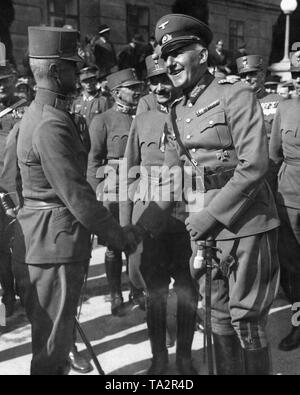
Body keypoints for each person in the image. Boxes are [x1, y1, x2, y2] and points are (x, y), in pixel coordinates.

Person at [133, 13, 280, 375]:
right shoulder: (177, 111)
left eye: (178, 51)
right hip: (205, 231)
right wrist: (137, 227)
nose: (169, 62)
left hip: (246, 225)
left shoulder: (236, 94)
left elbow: (255, 166)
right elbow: (172, 174)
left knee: (246, 321)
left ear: (201, 52)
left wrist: (208, 217)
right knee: (215, 318)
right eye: (165, 55)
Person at [12, 26, 139, 376]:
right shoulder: (50, 124)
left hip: (47, 241)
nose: (78, 72)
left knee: (57, 339)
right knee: (52, 354)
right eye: (71, 66)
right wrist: (120, 236)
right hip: (55, 245)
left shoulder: (40, 114)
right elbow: (77, 195)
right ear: (56, 71)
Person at [120, 54, 198, 375]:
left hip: (184, 217)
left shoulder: (194, 117)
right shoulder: (143, 120)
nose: (160, 86)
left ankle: (183, 357)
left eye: (165, 79)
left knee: (186, 291)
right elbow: (126, 172)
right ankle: (159, 359)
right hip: (150, 217)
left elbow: (202, 170)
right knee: (154, 292)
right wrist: (126, 223)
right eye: (154, 81)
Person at [87, 68, 144, 317]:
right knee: (113, 244)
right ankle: (114, 293)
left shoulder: (143, 116)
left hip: (139, 185)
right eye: (130, 87)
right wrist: (96, 194)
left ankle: (136, 290)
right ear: (116, 93)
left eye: (137, 86)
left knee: (136, 240)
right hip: (112, 186)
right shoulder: (103, 120)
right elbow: (92, 161)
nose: (136, 91)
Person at [269, 51, 300, 352]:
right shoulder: (285, 107)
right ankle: (298, 324)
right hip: (288, 196)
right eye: (297, 76)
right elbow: (273, 154)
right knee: (292, 265)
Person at [0, 59, 26, 317]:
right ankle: (8, 291)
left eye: (4, 80)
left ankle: (26, 290)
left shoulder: (22, 109)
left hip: (18, 188)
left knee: (21, 242)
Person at [236, 55, 282, 140]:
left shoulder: (279, 101)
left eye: (252, 74)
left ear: (262, 76)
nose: (247, 78)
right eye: (243, 75)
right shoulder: (234, 105)